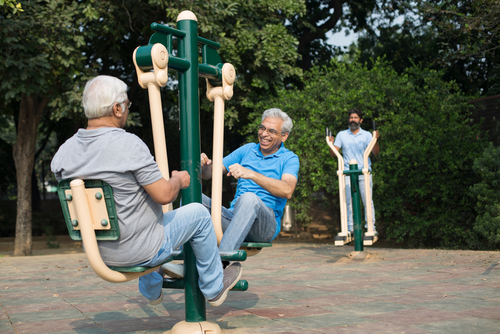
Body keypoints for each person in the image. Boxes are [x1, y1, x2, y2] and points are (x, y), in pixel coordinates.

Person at [51, 75, 241, 307]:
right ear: (117, 108)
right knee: (199, 215)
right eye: (128, 105)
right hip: (139, 250)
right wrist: (177, 179)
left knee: (147, 217)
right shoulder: (128, 144)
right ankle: (214, 287)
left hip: (97, 252)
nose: (128, 110)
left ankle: (152, 291)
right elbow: (164, 195)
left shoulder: (64, 152)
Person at [201, 108, 300, 252]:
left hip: (264, 226)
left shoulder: (289, 158)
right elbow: (210, 174)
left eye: (271, 131)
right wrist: (204, 166)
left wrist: (251, 174)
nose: (264, 134)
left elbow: (287, 190)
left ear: (284, 136)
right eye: (262, 128)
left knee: (249, 199)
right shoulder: (247, 150)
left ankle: (223, 262)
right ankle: (186, 264)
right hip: (233, 217)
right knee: (191, 198)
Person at [328, 108, 380, 232]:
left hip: (364, 172)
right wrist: (331, 144)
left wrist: (375, 139)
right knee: (347, 201)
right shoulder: (342, 134)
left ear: (360, 120)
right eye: (351, 118)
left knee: (367, 200)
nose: (353, 120)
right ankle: (350, 229)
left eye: (355, 118)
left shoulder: (367, 135)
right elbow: (333, 154)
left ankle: (370, 227)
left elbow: (375, 152)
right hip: (346, 172)